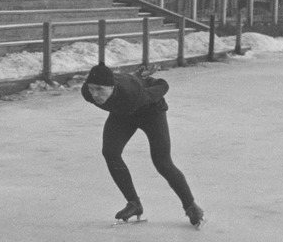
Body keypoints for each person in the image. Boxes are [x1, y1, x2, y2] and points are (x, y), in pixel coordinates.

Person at [81, 62, 205, 227]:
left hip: (151, 112)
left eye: (100, 89)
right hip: (123, 113)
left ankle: (191, 206)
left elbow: (159, 88)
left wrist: (158, 82)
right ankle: (134, 203)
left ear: (111, 87)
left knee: (162, 162)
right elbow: (127, 79)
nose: (95, 94)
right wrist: (138, 76)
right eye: (92, 88)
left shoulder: (131, 94)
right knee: (110, 152)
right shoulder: (87, 93)